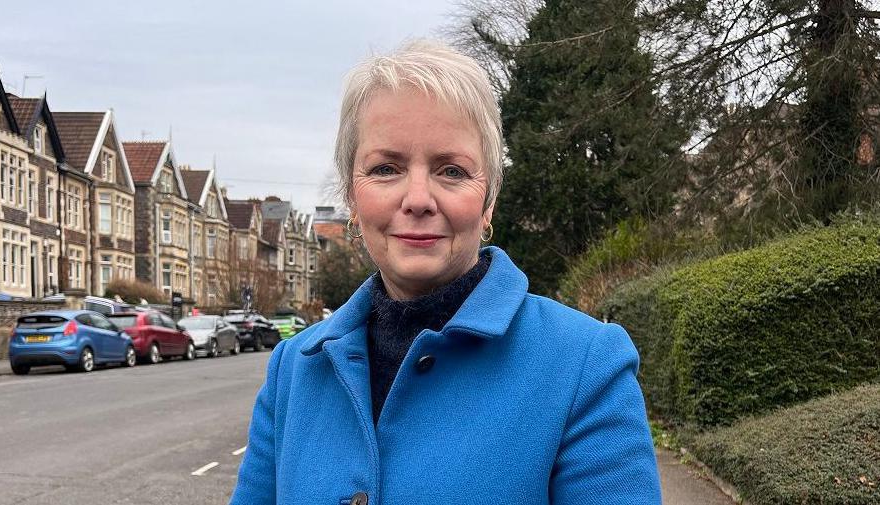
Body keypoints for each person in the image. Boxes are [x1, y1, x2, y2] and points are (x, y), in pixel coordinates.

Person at [230, 40, 661, 505]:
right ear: (352, 199)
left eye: (452, 171)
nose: (417, 199)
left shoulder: (585, 366)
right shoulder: (294, 369)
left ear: (489, 199)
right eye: (386, 168)